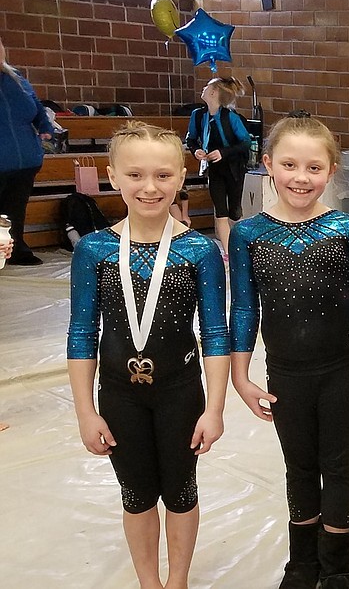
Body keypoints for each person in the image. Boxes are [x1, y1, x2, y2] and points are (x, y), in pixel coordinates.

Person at [229, 116, 349, 588]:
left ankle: (338, 564)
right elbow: (244, 308)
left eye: (314, 167)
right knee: (298, 465)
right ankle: (302, 561)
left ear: (332, 170)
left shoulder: (347, 228)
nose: (301, 177)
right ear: (268, 165)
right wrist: (241, 376)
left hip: (341, 371)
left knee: (339, 464)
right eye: (289, 165)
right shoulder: (248, 234)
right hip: (286, 373)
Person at [67, 121, 229, 589]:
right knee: (136, 495)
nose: (149, 186)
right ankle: (148, 582)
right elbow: (82, 334)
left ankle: (176, 581)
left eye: (162, 175)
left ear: (182, 176)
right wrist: (85, 411)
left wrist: (215, 409)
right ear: (112, 176)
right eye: (135, 175)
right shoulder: (95, 250)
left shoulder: (198, 250)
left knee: (180, 491)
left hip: (181, 394)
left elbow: (214, 335)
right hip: (119, 396)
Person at [0, 37, 54, 266]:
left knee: (15, 209)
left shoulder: (15, 77)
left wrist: (45, 126)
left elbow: (37, 107)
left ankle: (16, 249)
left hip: (25, 158)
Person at [186, 76, 251, 258]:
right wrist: (197, 150)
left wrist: (224, 152)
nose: (203, 88)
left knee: (235, 211)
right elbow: (190, 139)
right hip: (214, 168)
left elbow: (245, 142)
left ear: (214, 92)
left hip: (233, 167)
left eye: (207, 86)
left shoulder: (231, 118)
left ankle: (239, 243)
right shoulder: (198, 115)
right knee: (220, 211)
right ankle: (229, 252)